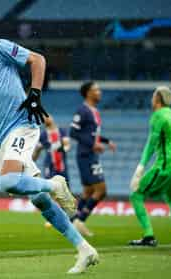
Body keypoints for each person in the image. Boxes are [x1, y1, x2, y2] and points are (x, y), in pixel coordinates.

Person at [0, 10, 98, 274]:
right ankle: (84, 249)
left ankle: (55, 183)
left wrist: (34, 95)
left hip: (22, 125)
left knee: (8, 181)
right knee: (39, 200)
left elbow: (37, 60)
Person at [129, 86, 171, 246]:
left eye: (153, 96)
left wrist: (140, 168)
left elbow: (151, 144)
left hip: (165, 166)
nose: (151, 99)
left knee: (136, 194)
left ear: (157, 99)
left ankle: (148, 236)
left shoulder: (158, 116)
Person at [70, 81, 116, 237]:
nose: (99, 92)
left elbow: (92, 134)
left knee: (89, 191)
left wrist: (106, 141)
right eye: (96, 90)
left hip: (91, 154)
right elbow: (73, 132)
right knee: (101, 190)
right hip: (86, 155)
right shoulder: (82, 110)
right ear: (88, 93)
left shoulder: (94, 111)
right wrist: (93, 145)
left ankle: (72, 220)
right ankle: (80, 220)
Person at [33, 115, 70, 184]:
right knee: (51, 186)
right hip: (49, 165)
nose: (46, 119)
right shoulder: (43, 135)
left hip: (62, 164)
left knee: (65, 186)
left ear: (52, 118)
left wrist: (63, 149)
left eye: (47, 117)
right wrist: (31, 162)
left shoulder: (62, 131)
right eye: (43, 118)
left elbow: (67, 145)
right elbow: (37, 151)